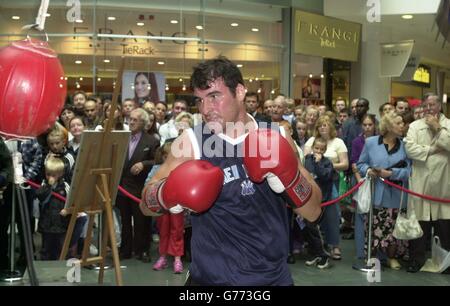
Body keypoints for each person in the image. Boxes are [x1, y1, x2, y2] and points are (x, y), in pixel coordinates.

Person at [139, 56, 322, 286]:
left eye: (214, 97)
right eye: (200, 100)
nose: (206, 109)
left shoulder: (277, 136)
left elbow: (314, 212)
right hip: (209, 280)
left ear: (240, 91)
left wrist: (291, 179)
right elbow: (145, 205)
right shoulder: (192, 142)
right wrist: (165, 194)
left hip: (271, 280)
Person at [357, 111, 411, 269]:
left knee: (393, 229)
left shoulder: (406, 145)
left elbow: (410, 171)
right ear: (388, 126)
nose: (403, 126)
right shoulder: (371, 142)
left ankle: (391, 257)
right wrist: (369, 171)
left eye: (403, 123)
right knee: (373, 228)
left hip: (396, 195)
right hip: (376, 193)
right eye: (399, 123)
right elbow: (360, 164)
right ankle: (371, 257)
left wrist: (392, 174)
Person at [404, 93, 450, 273]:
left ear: (439, 106)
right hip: (420, 183)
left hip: (443, 183)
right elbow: (410, 149)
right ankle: (417, 260)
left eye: (433, 104)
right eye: (426, 105)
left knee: (444, 226)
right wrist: (432, 150)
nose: (429, 108)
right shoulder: (415, 126)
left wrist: (438, 128)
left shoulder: (447, 125)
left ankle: (445, 262)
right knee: (419, 226)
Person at [36, 157, 70, 260]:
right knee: (46, 249)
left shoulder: (65, 186)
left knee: (59, 248)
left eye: (53, 175)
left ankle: (58, 269)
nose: (50, 177)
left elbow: (70, 200)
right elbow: (40, 196)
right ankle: (45, 269)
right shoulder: (44, 185)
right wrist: (48, 187)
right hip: (46, 224)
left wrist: (67, 210)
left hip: (60, 223)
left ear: (60, 174)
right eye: (48, 174)